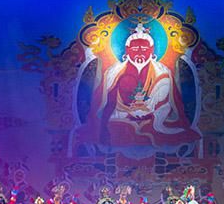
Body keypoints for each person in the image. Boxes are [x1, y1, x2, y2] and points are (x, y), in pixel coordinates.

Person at [78, 22, 200, 150]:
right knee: (114, 128)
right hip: (122, 115)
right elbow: (107, 100)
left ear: (152, 50)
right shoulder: (114, 72)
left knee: (169, 126)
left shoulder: (162, 71)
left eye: (145, 49)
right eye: (135, 49)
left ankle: (145, 130)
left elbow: (175, 99)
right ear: (127, 50)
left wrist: (181, 119)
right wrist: (102, 126)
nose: (140, 53)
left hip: (156, 118)